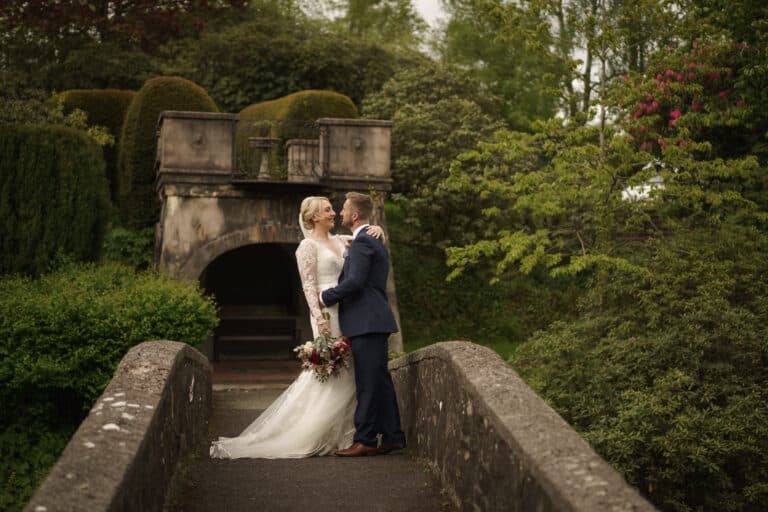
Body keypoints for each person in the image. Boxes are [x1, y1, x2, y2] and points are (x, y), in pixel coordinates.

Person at [209, 196, 383, 459]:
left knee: (350, 369)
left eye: (334, 209)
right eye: (327, 210)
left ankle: (346, 432)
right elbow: (308, 286)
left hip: (348, 310)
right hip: (325, 311)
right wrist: (320, 318)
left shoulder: (341, 241)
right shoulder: (306, 246)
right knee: (330, 369)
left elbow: (366, 247)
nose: (334, 213)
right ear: (314, 217)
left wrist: (378, 230)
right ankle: (315, 431)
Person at [321, 192, 405, 457]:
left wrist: (327, 296)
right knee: (380, 381)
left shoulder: (363, 242)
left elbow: (355, 281)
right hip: (373, 320)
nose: (340, 212)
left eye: (344, 209)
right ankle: (392, 436)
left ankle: (366, 438)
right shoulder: (369, 238)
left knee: (369, 382)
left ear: (355, 215)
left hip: (366, 321)